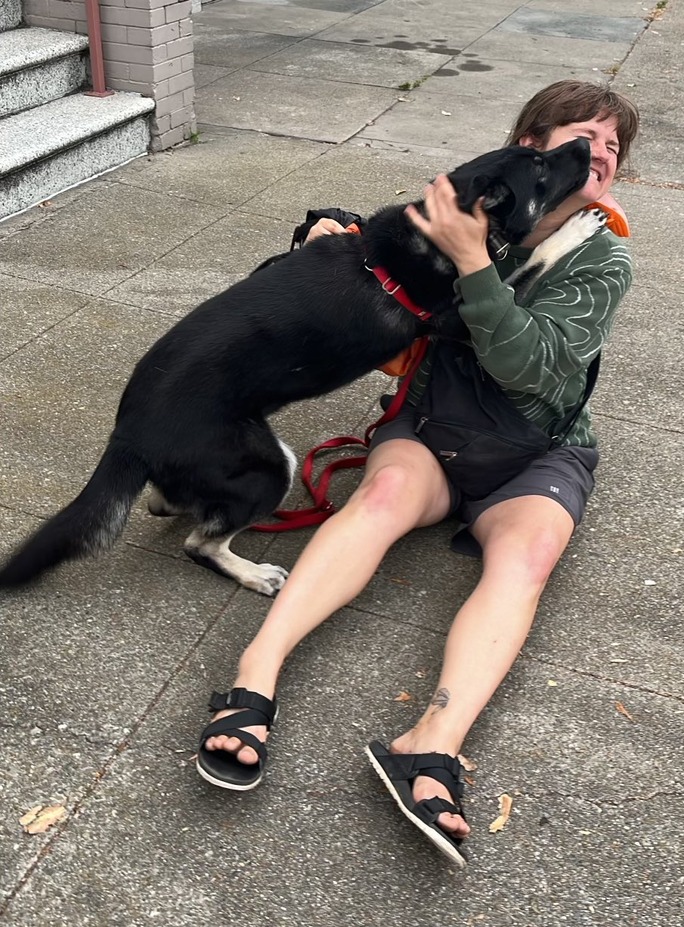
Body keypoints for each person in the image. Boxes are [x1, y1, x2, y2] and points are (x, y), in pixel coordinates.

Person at [195, 80, 639, 868]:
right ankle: (254, 677)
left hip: (538, 448)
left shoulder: (602, 258)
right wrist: (325, 237)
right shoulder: (472, 202)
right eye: (585, 135)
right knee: (383, 495)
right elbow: (378, 253)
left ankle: (431, 742)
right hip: (435, 428)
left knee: (528, 557)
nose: (601, 153)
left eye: (613, 145)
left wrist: (472, 264)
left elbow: (535, 367)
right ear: (531, 145)